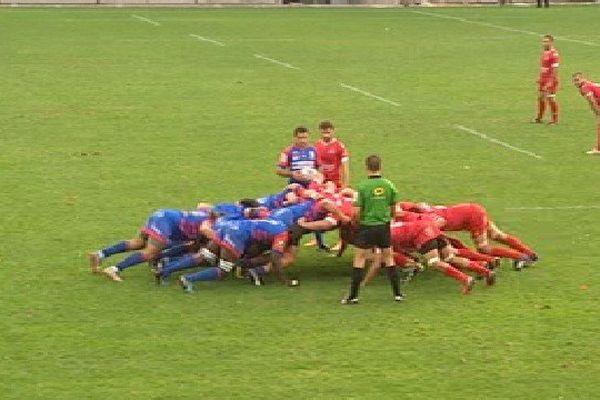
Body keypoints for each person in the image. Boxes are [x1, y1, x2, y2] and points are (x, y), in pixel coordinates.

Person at [341, 155, 403, 305]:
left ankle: (353, 296)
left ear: (366, 168)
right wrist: (390, 218)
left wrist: (356, 223)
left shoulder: (362, 187)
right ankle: (398, 294)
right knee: (388, 257)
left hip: (367, 226)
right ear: (380, 167)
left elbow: (356, 211)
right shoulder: (389, 185)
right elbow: (394, 207)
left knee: (359, 259)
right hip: (383, 226)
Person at [88, 208, 212, 282]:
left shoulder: (211, 213)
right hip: (166, 222)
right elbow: (204, 231)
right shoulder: (211, 226)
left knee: (138, 243)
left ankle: (100, 254)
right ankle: (114, 269)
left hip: (162, 214)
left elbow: (202, 205)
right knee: (150, 252)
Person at [534, 35, 559, 125]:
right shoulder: (544, 52)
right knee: (540, 97)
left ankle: (555, 120)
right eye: (543, 41)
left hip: (550, 80)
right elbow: (544, 67)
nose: (544, 43)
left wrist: (550, 81)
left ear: (551, 42)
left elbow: (555, 69)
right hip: (543, 79)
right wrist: (540, 78)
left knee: (550, 98)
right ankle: (539, 118)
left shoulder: (554, 54)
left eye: (546, 41)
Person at [572, 72, 600, 154]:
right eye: (574, 81)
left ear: (582, 78)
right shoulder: (588, 84)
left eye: (577, 80)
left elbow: (591, 101)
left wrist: (597, 112)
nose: (576, 82)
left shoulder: (585, 87)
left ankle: (598, 149)